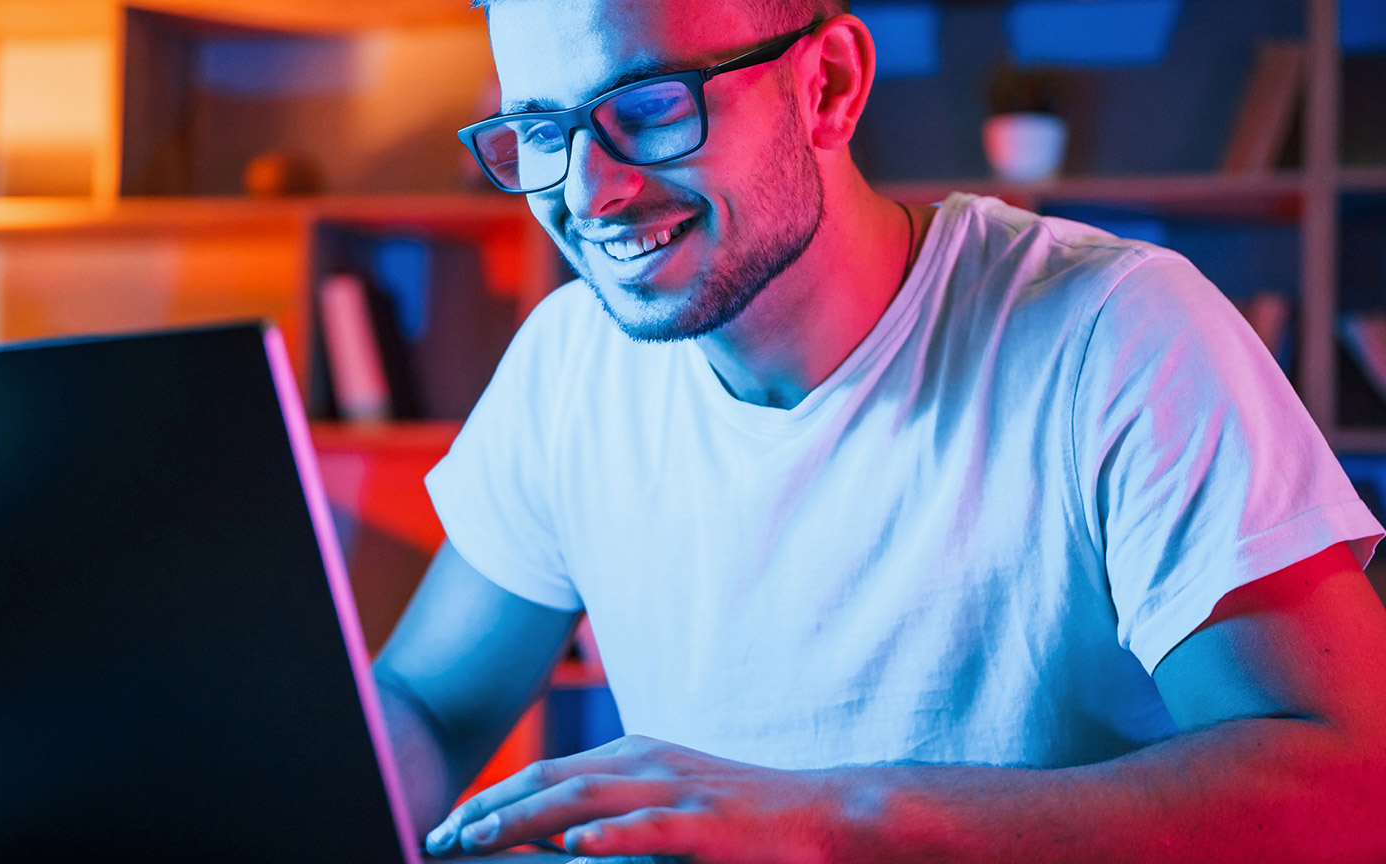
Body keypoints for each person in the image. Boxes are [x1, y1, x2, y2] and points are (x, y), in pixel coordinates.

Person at [372, 0, 1386, 860]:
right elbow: (426, 708)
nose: (591, 190)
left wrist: (830, 818)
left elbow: (1347, 789)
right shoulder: (569, 364)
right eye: (542, 134)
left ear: (828, 86)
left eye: (648, 108)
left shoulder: (1113, 330)